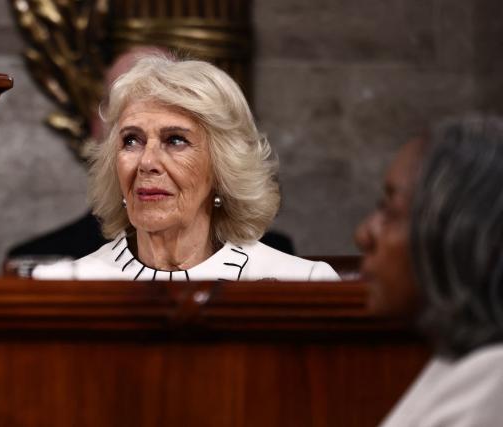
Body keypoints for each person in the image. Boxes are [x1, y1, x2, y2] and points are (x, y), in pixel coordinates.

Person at [33, 55, 337, 281]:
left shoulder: (305, 281)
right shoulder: (64, 284)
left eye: (175, 140)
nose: (147, 162)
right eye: (132, 141)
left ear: (222, 166)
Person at [355, 115, 503, 426]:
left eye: (391, 211)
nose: (364, 234)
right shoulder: (460, 363)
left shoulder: (493, 389)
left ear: (458, 232)